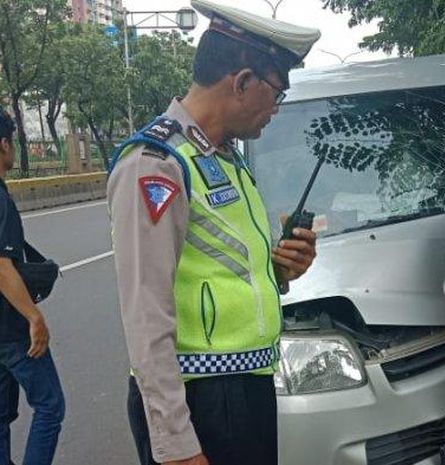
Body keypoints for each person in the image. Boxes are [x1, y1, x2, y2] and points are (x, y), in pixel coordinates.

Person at [107, 1, 321, 464]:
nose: (276, 110)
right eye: (277, 94)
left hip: (245, 390)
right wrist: (177, 446)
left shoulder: (224, 159)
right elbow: (146, 317)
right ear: (244, 82)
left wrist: (281, 272)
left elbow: (221, 273)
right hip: (200, 401)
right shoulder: (156, 164)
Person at [0, 109, 65, 465]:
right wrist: (34, 317)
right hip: (11, 330)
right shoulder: (0, 201)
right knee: (50, 405)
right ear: (4, 144)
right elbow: (2, 267)